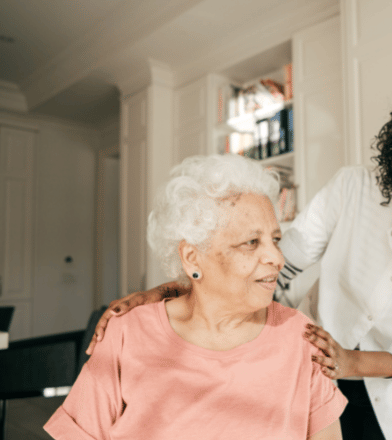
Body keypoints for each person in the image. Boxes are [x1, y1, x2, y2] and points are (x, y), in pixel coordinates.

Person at [87, 70, 392, 439]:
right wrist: (182, 292)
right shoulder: (354, 190)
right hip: (302, 364)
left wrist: (353, 362)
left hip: (389, 399)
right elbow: (279, 269)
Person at [46, 155, 347, 440]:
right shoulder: (127, 332)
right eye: (251, 242)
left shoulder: (300, 336)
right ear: (192, 257)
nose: (277, 258)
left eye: (275, 240)